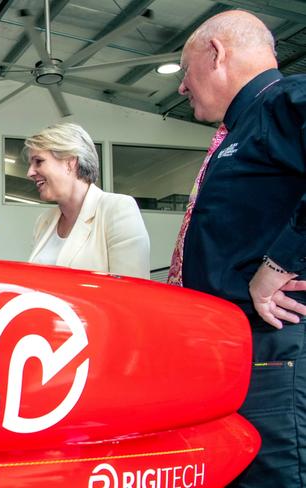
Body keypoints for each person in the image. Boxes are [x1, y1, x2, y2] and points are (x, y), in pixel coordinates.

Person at [170, 10, 306, 486]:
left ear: (216, 53)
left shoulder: (286, 101)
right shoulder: (243, 129)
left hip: (274, 348)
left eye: (186, 71)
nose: (182, 87)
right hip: (235, 353)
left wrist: (280, 262)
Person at [25, 122, 150, 278]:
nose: (30, 172)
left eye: (38, 161)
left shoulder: (117, 209)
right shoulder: (44, 221)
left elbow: (132, 292)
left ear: (70, 162)